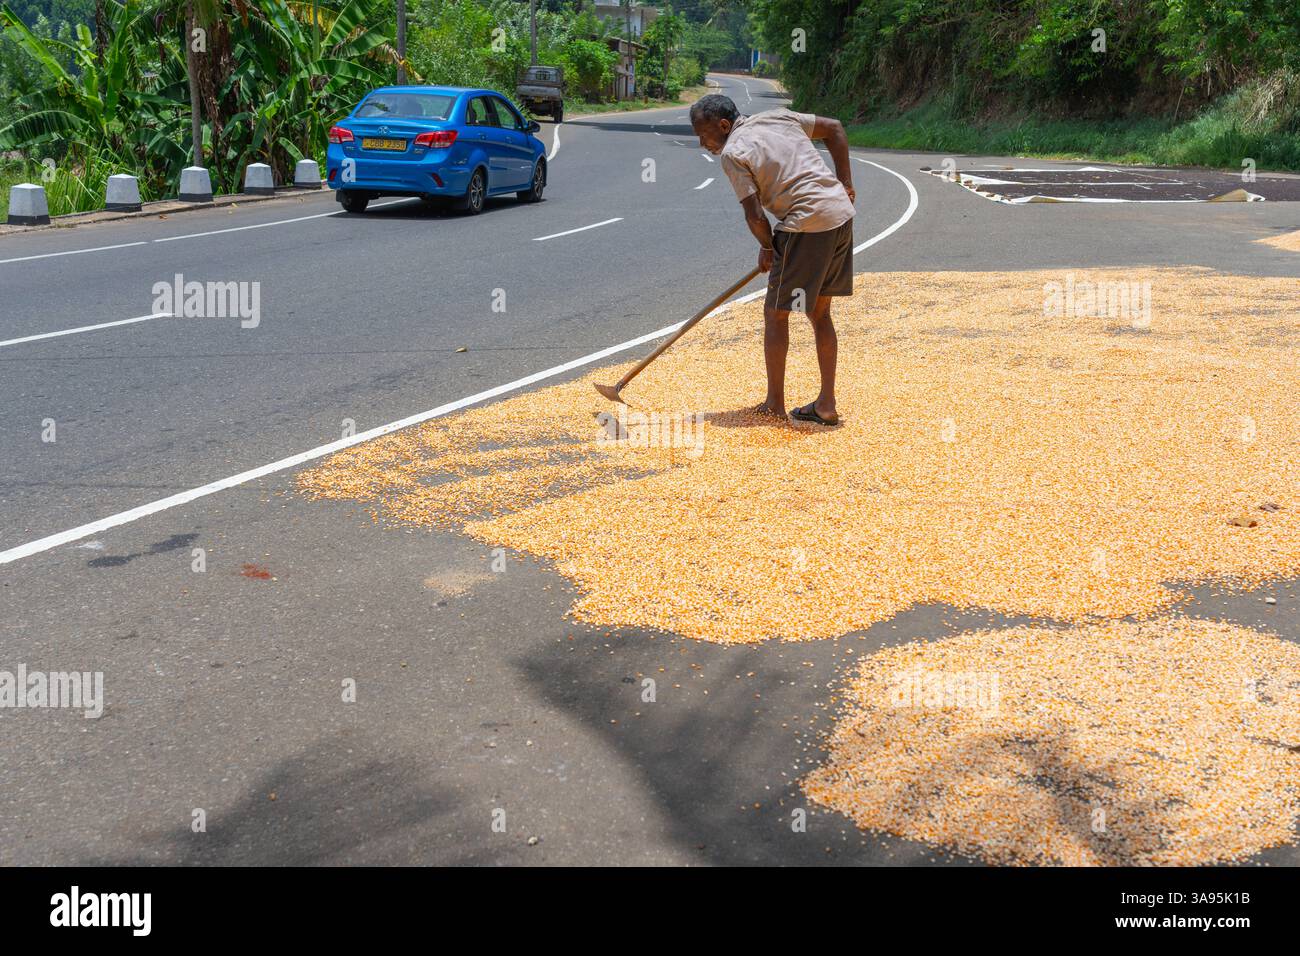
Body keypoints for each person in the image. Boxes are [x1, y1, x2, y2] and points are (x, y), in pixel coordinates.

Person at [690, 93, 856, 426]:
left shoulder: (734, 153)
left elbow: (754, 215)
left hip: (805, 223)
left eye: (703, 135)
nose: (702, 143)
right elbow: (835, 129)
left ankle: (774, 404)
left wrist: (768, 247)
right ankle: (826, 404)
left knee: (776, 314)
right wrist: (846, 184)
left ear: (723, 126)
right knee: (819, 311)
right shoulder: (779, 117)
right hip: (840, 214)